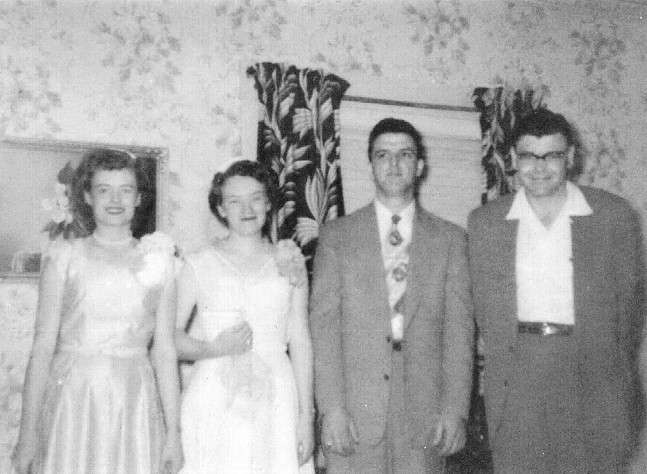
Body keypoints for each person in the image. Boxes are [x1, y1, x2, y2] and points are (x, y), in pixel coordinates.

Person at [468, 108, 645, 473]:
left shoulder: (613, 216)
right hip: (519, 371)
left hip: (590, 370)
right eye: (529, 156)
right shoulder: (486, 222)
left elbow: (629, 317)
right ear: (513, 158)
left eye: (551, 155)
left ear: (571, 157)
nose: (539, 167)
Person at [309, 118, 474, 473]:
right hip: (355, 407)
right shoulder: (336, 237)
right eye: (383, 155)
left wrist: (455, 410)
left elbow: (459, 332)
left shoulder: (451, 240)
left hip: (424, 411)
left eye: (405, 155)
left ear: (420, 165)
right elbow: (324, 331)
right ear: (370, 165)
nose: (394, 164)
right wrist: (331, 409)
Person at [12, 148, 183, 474]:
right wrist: (27, 434)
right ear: (88, 197)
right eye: (104, 190)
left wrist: (173, 433)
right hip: (73, 397)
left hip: (134, 399)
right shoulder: (64, 257)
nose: (115, 199)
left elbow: (164, 351)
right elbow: (42, 347)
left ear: (138, 198)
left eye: (126, 190)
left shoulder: (161, 262)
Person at [175, 160, 314, 474]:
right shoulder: (198, 263)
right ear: (221, 209)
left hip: (276, 397)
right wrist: (213, 349)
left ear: (268, 203)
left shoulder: (290, 261)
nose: (247, 209)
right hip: (214, 395)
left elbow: (301, 341)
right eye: (235, 201)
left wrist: (306, 415)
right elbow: (171, 339)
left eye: (255, 198)